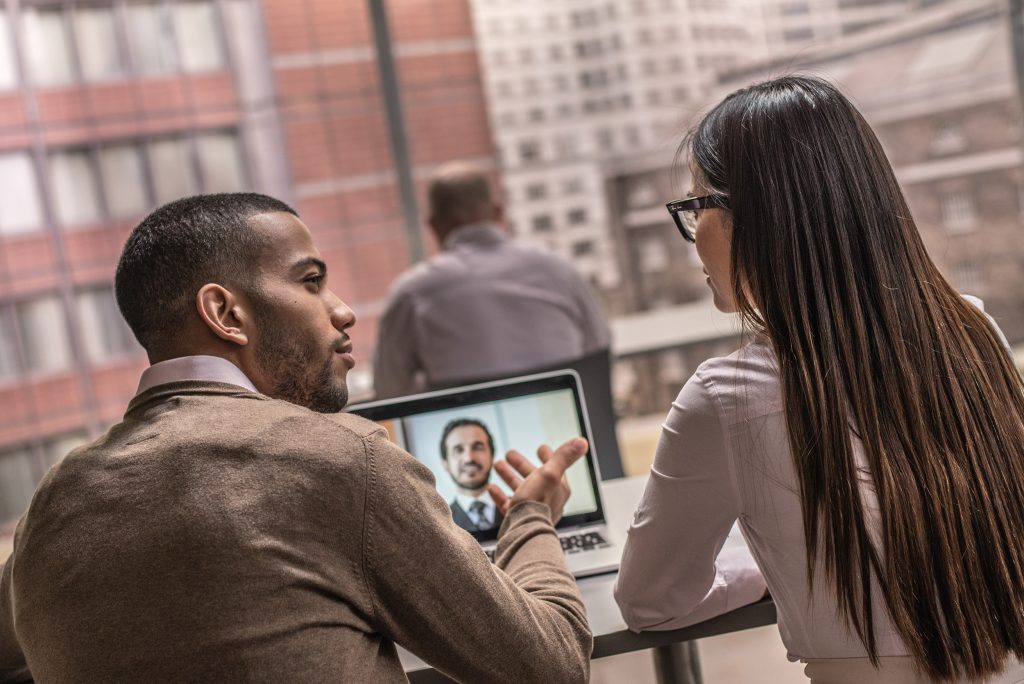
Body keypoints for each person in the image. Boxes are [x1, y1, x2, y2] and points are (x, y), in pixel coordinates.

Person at [0, 193, 593, 683]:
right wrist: (531, 515)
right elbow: (551, 666)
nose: (343, 311)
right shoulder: (341, 460)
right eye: (311, 282)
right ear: (225, 314)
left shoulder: (51, 505)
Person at [613, 75, 1024, 683]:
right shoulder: (973, 331)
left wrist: (767, 570)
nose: (692, 235)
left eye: (697, 206)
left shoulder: (726, 398)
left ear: (757, 221)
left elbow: (652, 601)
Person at [373, 162, 611, 399]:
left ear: (434, 226)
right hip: (567, 426)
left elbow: (390, 389)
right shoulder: (559, 270)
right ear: (498, 213)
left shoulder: (411, 294)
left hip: (470, 424)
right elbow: (599, 352)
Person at [440, 418, 504, 532]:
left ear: (492, 456)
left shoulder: (522, 511)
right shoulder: (439, 524)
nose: (469, 458)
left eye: (478, 447)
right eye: (458, 450)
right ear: (446, 464)